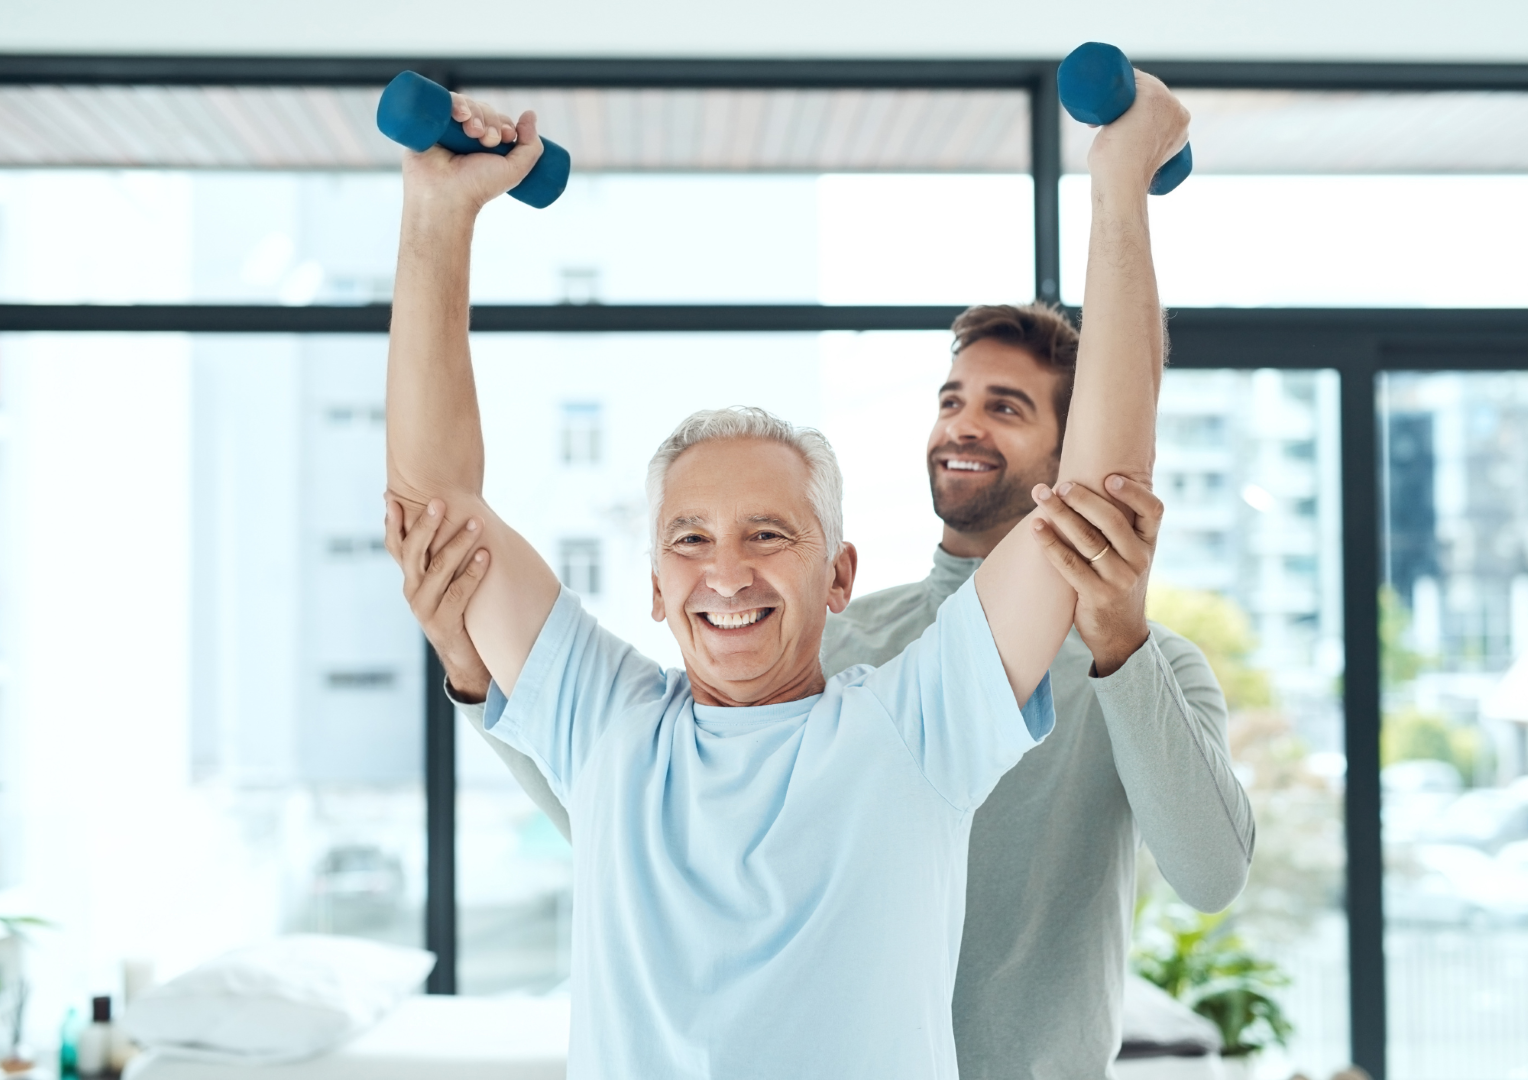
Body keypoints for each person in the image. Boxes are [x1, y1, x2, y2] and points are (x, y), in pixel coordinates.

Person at [384, 71, 1187, 1078]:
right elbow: (436, 514)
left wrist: (1115, 192)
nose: (725, 571)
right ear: (651, 586)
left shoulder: (913, 727)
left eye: (768, 534)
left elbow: (1095, 498)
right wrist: (436, 214)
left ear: (838, 574)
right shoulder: (605, 724)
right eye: (689, 540)